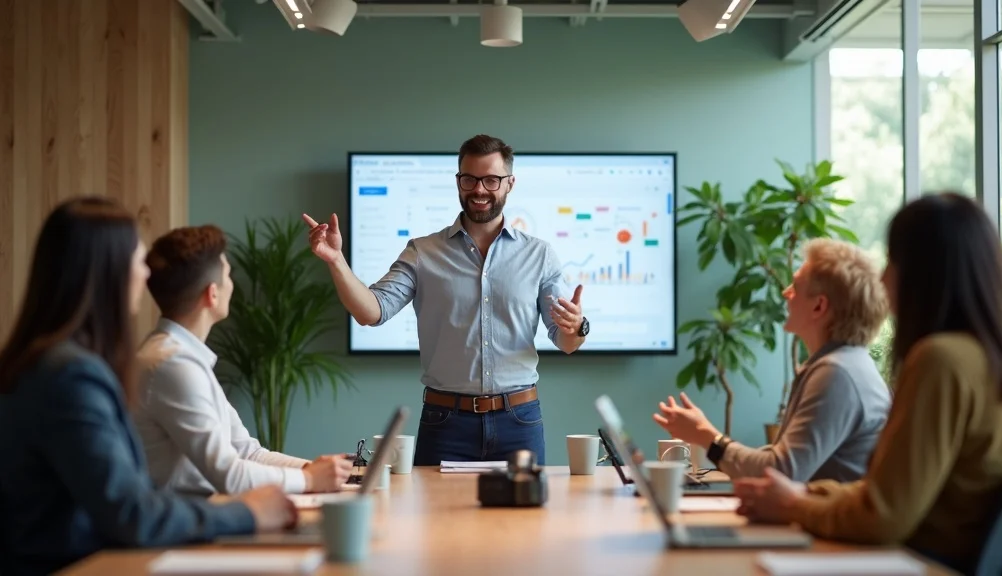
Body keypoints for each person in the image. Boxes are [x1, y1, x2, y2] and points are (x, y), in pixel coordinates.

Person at [0, 198, 297, 576]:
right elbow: (132, 514)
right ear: (109, 272)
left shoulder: (43, 363)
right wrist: (247, 513)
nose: (145, 275)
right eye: (138, 262)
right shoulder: (71, 377)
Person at [733, 193, 1002, 575]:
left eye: (893, 261)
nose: (883, 278)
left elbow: (883, 517)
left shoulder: (941, 360)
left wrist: (792, 505)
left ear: (923, 272)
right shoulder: (994, 357)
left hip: (918, 562)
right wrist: (805, 493)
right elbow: (889, 493)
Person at [302, 135, 588, 465]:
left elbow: (567, 342)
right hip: (446, 422)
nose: (479, 189)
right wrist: (336, 260)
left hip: (519, 421)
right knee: (437, 518)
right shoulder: (423, 252)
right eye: (469, 179)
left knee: (524, 515)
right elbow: (372, 312)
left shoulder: (539, 254)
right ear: (458, 181)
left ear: (510, 183)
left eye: (491, 180)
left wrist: (577, 326)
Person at [134, 225, 353, 496]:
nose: (233, 284)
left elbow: (248, 453)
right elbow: (229, 475)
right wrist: (309, 480)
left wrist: (324, 473)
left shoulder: (183, 357)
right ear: (212, 293)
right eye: (228, 275)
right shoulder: (173, 365)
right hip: (186, 526)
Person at [652, 238, 891, 483]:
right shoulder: (844, 365)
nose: (785, 292)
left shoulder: (837, 374)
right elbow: (781, 461)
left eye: (796, 286)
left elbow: (781, 472)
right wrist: (708, 438)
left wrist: (706, 435)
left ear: (819, 306)